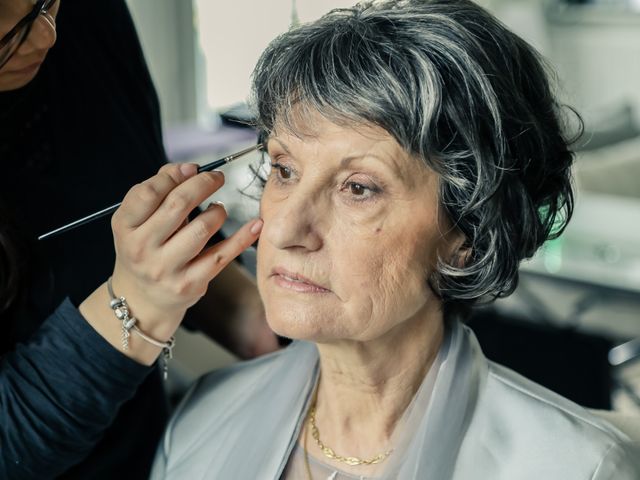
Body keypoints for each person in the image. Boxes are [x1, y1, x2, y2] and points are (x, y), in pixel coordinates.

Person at [151, 1, 640, 479]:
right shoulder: (199, 421)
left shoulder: (579, 467)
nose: (282, 230)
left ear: (469, 230)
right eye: (284, 170)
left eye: (358, 188)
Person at [0, 0, 276, 478]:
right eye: (14, 24)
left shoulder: (89, 16)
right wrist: (137, 299)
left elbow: (153, 233)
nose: (48, 35)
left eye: (47, 3)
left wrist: (265, 324)